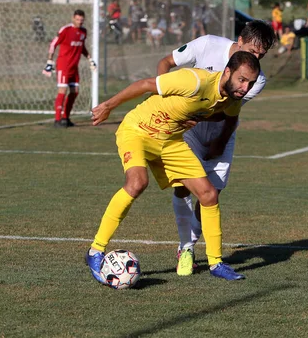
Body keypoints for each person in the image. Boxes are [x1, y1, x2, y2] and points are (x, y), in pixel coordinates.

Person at [85, 51, 262, 284]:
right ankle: (95, 251)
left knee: (208, 195)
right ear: (227, 72)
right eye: (242, 79)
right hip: (138, 130)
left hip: (170, 142)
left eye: (250, 82)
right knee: (137, 183)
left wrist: (199, 119)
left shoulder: (232, 99)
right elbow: (146, 84)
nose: (245, 87)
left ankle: (216, 263)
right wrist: (108, 106)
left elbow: (226, 117)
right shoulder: (195, 81)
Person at [156, 20, 276, 276]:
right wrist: (170, 104)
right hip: (188, 128)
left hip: (221, 130)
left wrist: (219, 142)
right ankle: (186, 248)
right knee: (181, 186)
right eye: (253, 51)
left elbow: (226, 113)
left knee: (210, 196)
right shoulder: (208, 44)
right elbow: (166, 63)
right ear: (240, 40)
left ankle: (192, 246)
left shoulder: (258, 79)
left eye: (261, 55)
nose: (255, 58)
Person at [43, 9, 97, 128]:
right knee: (62, 91)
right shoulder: (66, 30)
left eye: (81, 20)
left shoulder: (83, 32)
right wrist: (49, 61)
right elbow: (53, 44)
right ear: (73, 18)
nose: (79, 22)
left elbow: (82, 47)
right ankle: (57, 120)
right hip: (63, 66)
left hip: (74, 67)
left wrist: (90, 59)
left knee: (75, 91)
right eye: (77, 19)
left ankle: (65, 118)